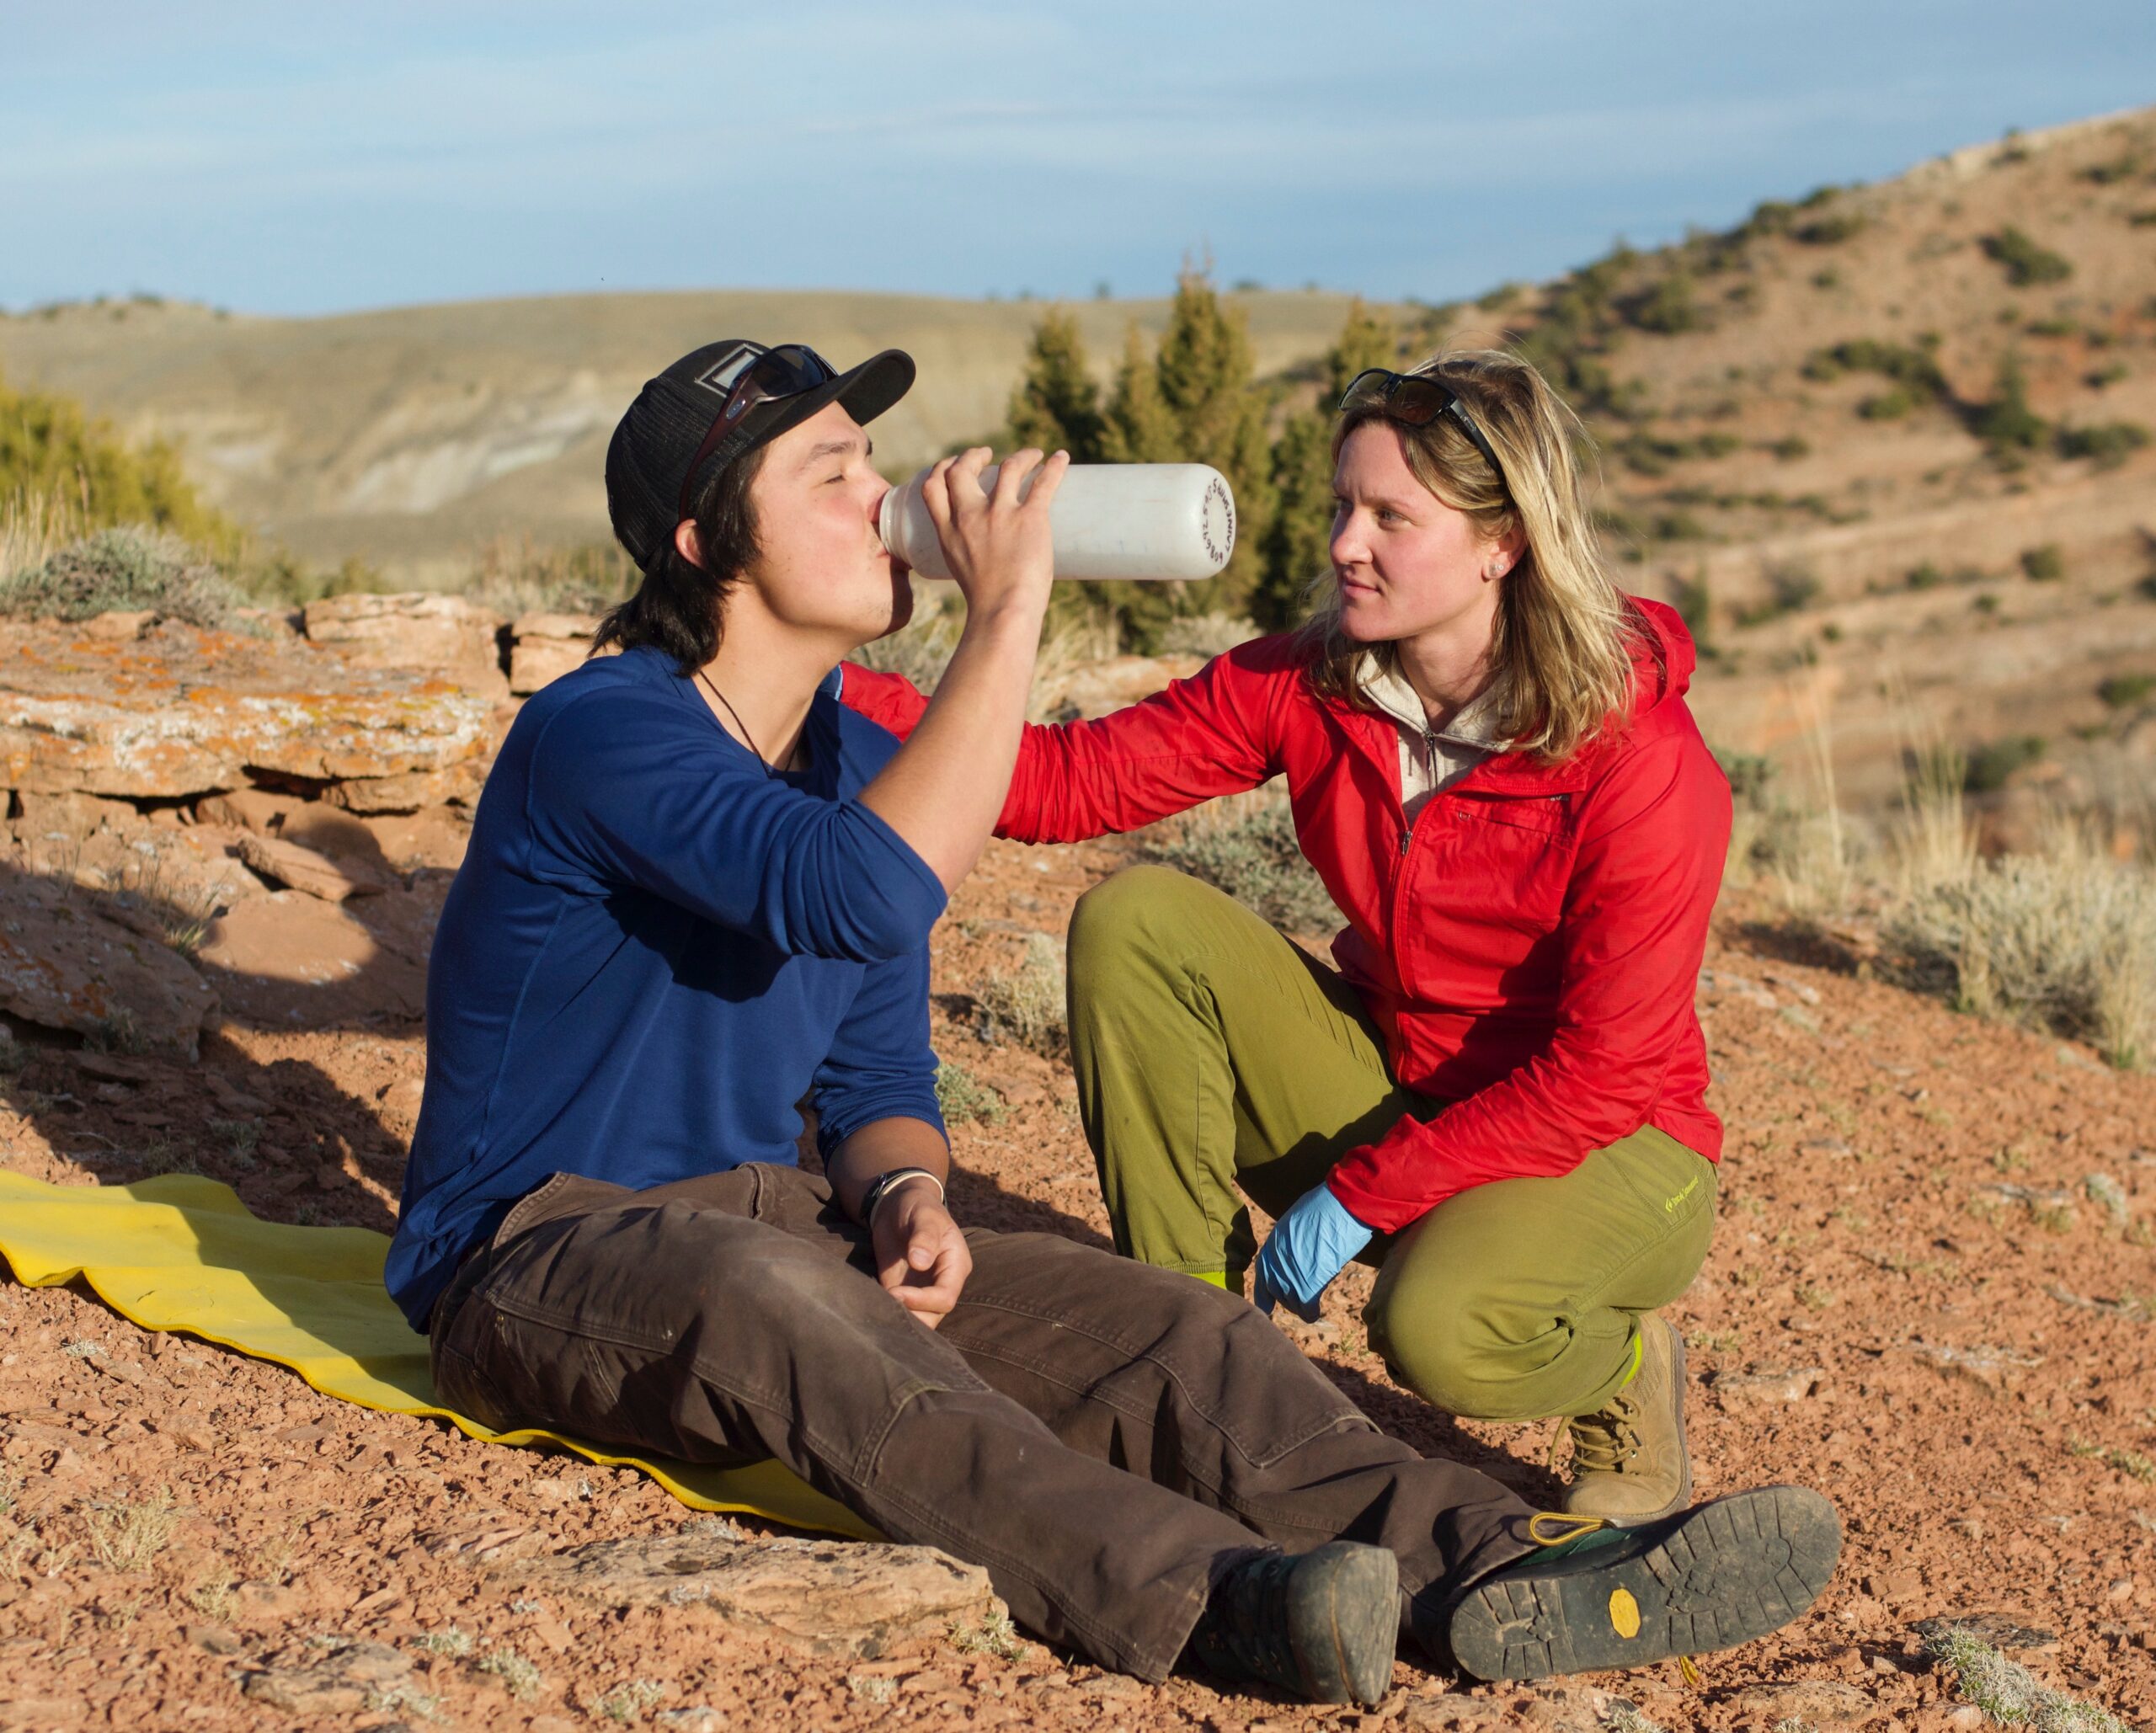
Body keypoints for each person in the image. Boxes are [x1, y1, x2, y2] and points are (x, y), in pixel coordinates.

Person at [387, 339, 1837, 1706]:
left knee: (1160, 1326)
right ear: (705, 542)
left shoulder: (850, 757)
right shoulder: (606, 730)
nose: (884, 496)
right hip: (537, 1240)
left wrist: (902, 1189)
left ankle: (1503, 1563)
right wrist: (1009, 609)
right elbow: (855, 891)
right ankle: (1220, 1595)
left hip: (774, 1214)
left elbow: (877, 1058)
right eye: (830, 475)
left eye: (869, 457)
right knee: (787, 1307)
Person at [845, 350, 1732, 1528]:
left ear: (1502, 544)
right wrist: (818, 686)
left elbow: (1604, 1070)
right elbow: (1064, 784)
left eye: (1389, 517)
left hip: (1612, 1142)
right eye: (1340, 506)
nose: (1344, 544)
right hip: (1406, 1083)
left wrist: (1363, 1191)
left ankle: (1622, 1376)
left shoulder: (1642, 762)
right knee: (1141, 917)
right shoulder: (1318, 682)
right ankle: (1200, 1370)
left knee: (1434, 1322)